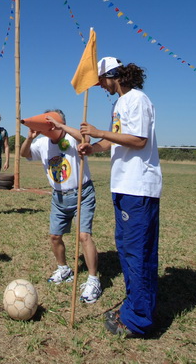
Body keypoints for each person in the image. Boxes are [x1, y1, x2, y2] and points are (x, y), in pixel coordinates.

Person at [78, 57, 162, 337]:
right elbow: (114, 139)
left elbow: (138, 140)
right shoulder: (120, 104)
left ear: (113, 75)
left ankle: (138, 320)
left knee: (138, 253)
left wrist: (99, 132)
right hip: (123, 187)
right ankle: (132, 306)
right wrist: (93, 147)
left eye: (101, 80)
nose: (100, 86)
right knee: (126, 249)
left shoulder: (137, 99)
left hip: (139, 187)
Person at [20, 109, 102, 303]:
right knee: (55, 236)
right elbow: (25, 154)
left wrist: (62, 127)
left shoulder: (72, 138)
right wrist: (30, 138)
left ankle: (93, 279)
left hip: (82, 194)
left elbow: (86, 140)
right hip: (58, 197)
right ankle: (64, 269)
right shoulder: (42, 144)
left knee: (84, 236)